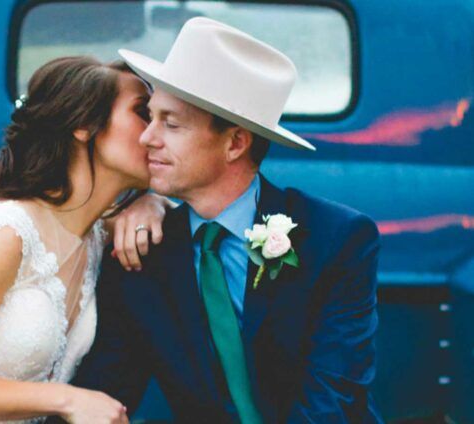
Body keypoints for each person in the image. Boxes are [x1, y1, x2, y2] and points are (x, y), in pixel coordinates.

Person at [72, 17, 383, 423]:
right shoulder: (144, 252)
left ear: (235, 142)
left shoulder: (335, 238)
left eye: (172, 123)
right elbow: (108, 392)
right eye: (150, 117)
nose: (147, 137)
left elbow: (333, 400)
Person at [0, 56, 171, 423]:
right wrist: (65, 400)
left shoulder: (93, 231)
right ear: (83, 125)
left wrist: (153, 202)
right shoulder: (3, 231)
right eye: (142, 113)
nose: (154, 135)